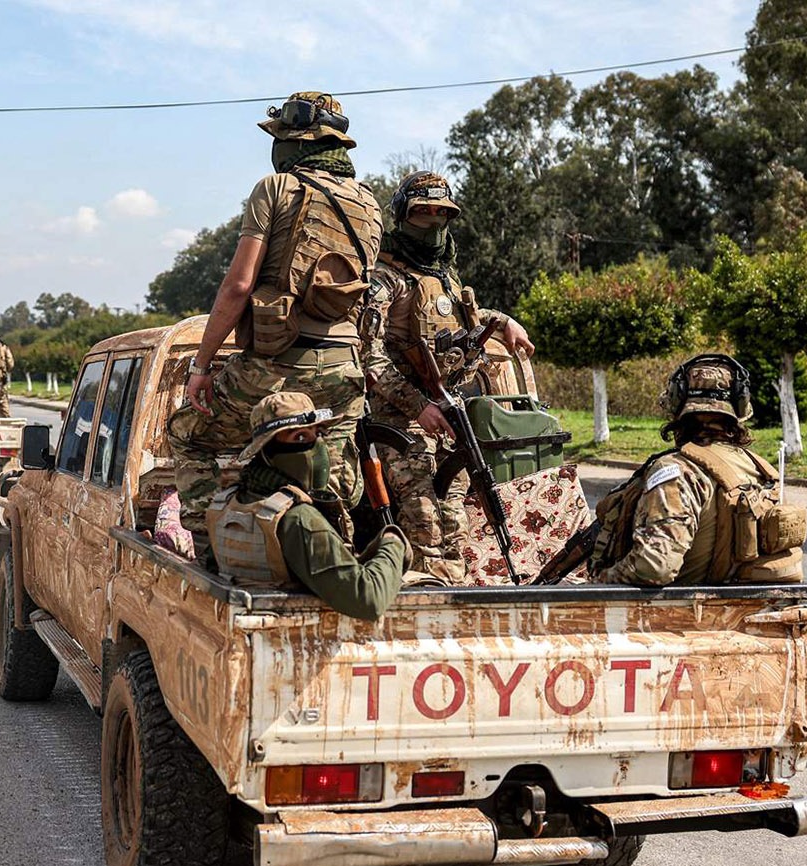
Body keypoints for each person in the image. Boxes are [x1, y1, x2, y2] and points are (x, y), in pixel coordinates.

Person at [167, 91, 384, 545]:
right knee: (331, 471)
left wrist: (201, 367)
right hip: (345, 369)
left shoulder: (276, 188)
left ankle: (214, 552)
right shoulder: (370, 203)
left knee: (189, 435)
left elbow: (238, 287)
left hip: (276, 365)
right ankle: (330, 557)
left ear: (294, 142)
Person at [364, 172, 535, 583]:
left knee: (455, 521)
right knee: (423, 523)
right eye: (421, 214)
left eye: (442, 214)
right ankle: (422, 603)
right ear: (402, 217)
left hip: (449, 419)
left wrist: (505, 322)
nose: (432, 224)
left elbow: (465, 325)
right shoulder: (384, 280)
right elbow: (367, 356)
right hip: (400, 423)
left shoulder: (446, 276)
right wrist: (417, 406)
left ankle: (454, 598)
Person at [588, 354, 807, 585]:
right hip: (744, 610)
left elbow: (654, 566)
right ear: (739, 409)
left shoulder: (676, 471)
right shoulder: (761, 470)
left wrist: (600, 581)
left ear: (676, 404)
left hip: (682, 614)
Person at [207, 392, 410, 621]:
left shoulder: (227, 503)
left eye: (319, 434)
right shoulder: (298, 518)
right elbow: (368, 600)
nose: (317, 447)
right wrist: (393, 543)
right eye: (300, 438)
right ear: (268, 450)